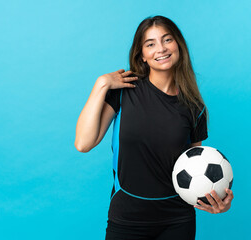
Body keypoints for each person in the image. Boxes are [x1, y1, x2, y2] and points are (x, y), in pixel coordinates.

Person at [75, 15, 234, 240]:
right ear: (142, 55)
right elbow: (83, 143)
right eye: (150, 44)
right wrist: (101, 85)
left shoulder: (194, 108)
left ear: (178, 45)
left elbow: (196, 167)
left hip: (177, 221)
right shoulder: (123, 91)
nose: (161, 49)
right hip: (127, 218)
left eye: (167, 40)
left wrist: (218, 201)